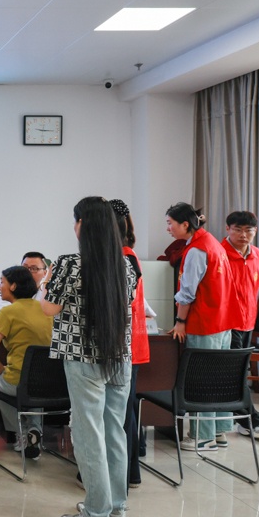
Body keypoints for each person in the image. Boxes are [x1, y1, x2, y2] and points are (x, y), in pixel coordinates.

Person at [43, 196, 136, 517]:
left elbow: (49, 309)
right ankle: (117, 505)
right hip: (119, 358)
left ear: (82, 224)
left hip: (83, 357)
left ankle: (96, 515)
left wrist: (47, 282)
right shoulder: (126, 265)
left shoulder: (70, 263)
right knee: (114, 430)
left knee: (88, 433)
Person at [166, 202, 238, 452]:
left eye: (170, 223)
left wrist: (180, 322)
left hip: (204, 323)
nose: (168, 228)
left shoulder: (197, 250)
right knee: (217, 378)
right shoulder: (213, 243)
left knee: (202, 380)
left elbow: (188, 293)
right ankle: (218, 431)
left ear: (185, 224)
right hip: (222, 322)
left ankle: (203, 437)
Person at [0, 265, 53, 459]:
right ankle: (34, 431)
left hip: (18, 380)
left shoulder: (8, 312)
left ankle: (22, 432)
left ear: (13, 286)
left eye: (2, 282)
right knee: (32, 385)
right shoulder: (45, 308)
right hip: (49, 381)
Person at [223, 210, 259, 440]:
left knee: (238, 373)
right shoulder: (219, 252)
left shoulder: (256, 254)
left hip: (248, 322)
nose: (243, 235)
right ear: (227, 229)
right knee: (235, 373)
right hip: (226, 322)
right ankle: (252, 421)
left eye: (249, 230)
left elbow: (255, 287)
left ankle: (240, 420)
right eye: (238, 229)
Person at [109, 199, 150, 490]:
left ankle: (125, 475)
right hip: (126, 345)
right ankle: (127, 474)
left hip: (127, 346)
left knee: (122, 413)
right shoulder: (125, 255)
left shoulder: (124, 258)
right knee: (124, 411)